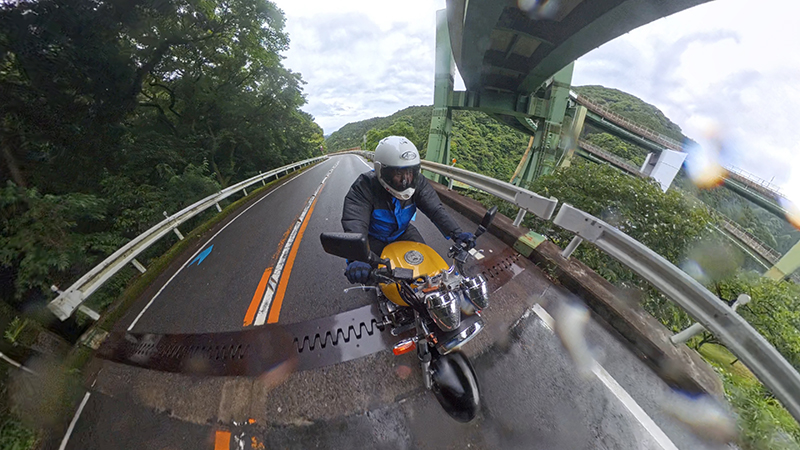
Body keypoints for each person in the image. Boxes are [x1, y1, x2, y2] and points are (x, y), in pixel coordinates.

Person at [341, 136, 474, 284]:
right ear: (381, 171)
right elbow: (355, 223)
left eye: (410, 173)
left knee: (428, 270)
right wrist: (357, 259)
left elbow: (436, 210)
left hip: (402, 232)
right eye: (398, 174)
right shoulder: (364, 187)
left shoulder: (418, 183)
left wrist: (457, 233)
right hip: (373, 238)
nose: (406, 180)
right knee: (374, 279)